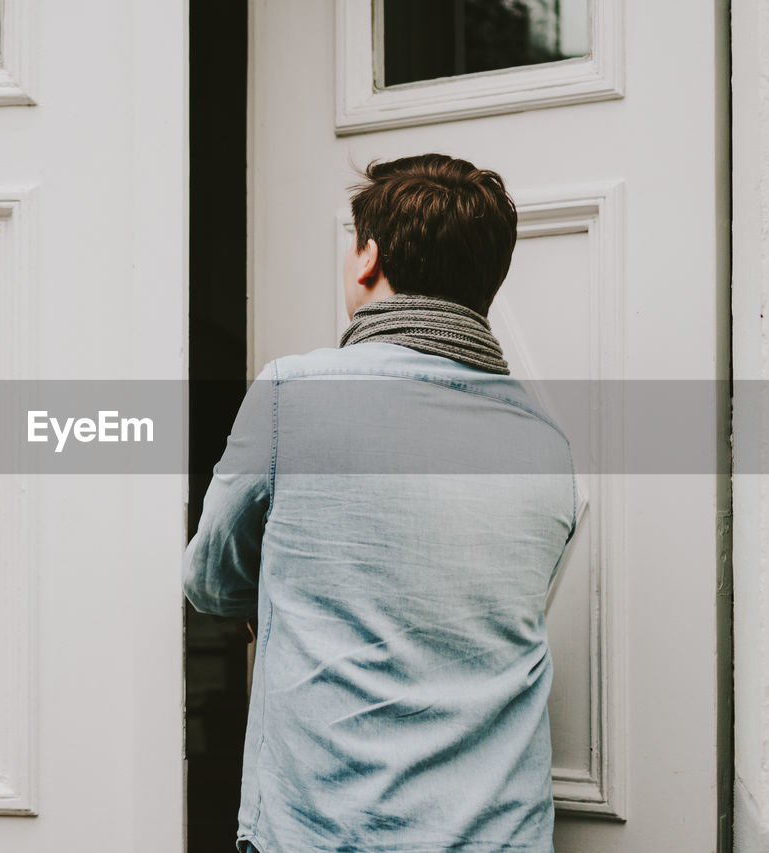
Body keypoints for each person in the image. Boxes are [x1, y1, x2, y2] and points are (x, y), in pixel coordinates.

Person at [182, 153, 577, 853]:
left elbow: (212, 581)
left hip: (329, 833)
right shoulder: (548, 444)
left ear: (367, 259)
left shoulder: (291, 394)